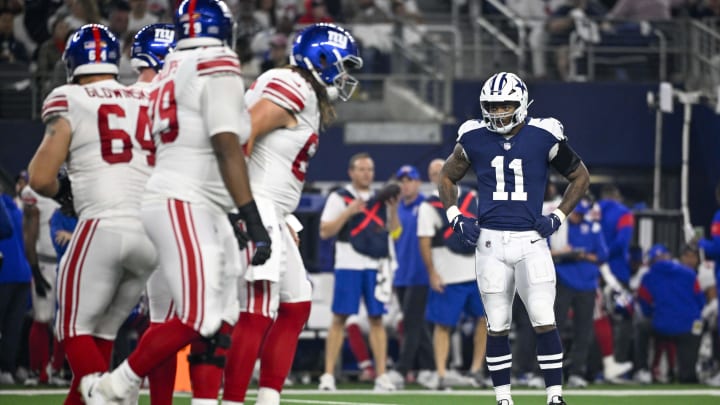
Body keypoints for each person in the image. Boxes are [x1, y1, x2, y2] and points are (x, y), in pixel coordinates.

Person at [78, 1, 271, 403]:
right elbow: (224, 144)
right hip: (185, 198)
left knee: (220, 318)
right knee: (201, 315)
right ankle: (115, 385)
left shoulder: (171, 70)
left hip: (188, 199)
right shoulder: (214, 61)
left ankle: (199, 400)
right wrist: (249, 215)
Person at [222, 23, 363, 405]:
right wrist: (243, 208)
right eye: (342, 64)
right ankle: (233, 399)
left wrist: (281, 216)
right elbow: (240, 134)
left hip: (273, 210)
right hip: (257, 205)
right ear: (321, 59)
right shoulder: (292, 84)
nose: (345, 74)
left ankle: (269, 398)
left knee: (297, 304)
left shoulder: (306, 94)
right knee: (257, 310)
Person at [438, 71, 590, 405]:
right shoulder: (473, 135)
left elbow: (580, 175)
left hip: (531, 239)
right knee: (497, 321)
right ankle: (503, 398)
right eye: (493, 105)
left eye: (506, 104)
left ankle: (554, 396)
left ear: (521, 103)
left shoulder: (544, 133)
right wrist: (455, 217)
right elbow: (446, 176)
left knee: (542, 316)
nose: (499, 112)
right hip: (489, 241)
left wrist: (559, 215)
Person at [27, 23, 158, 405]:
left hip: (103, 224)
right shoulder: (143, 98)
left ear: (72, 62)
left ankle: (113, 397)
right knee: (102, 332)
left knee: (70, 326)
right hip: (150, 233)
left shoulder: (70, 96)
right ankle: (106, 394)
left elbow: (39, 177)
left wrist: (66, 195)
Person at [318, 152, 399, 392]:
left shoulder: (380, 199)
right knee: (340, 318)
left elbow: (393, 232)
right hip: (348, 264)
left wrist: (393, 210)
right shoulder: (339, 197)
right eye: (362, 169)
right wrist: (348, 212)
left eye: (370, 170)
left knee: (377, 319)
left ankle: (382, 376)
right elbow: (325, 231)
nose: (367, 174)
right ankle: (328, 375)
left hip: (375, 265)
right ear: (351, 172)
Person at [127, 23, 177, 405]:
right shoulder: (177, 99)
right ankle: (126, 382)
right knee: (187, 319)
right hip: (166, 215)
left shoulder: (118, 96)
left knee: (91, 323)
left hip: (116, 214)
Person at [418, 158, 487, 390]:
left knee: (486, 320)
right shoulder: (428, 205)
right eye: (434, 172)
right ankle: (441, 373)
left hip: (476, 271)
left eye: (443, 170)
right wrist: (432, 273)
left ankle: (476, 370)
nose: (440, 174)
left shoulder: (472, 197)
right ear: (430, 178)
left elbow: (486, 231)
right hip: (448, 274)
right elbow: (424, 241)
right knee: (443, 324)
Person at [550, 199, 608, 388]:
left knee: (583, 331)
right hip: (564, 282)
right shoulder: (558, 227)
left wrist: (580, 255)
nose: (579, 216)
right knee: (552, 328)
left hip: (587, 285)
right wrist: (563, 253)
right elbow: (545, 251)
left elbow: (602, 255)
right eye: (576, 213)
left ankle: (576, 372)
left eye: (582, 213)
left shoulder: (593, 228)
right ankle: (548, 373)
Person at [391, 164, 434, 386]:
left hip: (420, 274)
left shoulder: (426, 206)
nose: (405, 184)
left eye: (409, 180)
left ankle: (401, 369)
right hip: (401, 274)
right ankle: (429, 368)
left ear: (418, 183)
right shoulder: (396, 208)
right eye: (402, 180)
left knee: (411, 323)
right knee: (417, 324)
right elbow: (394, 234)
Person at [637, 244, 705, 383]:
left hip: (662, 325)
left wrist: (659, 315)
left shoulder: (648, 276)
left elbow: (644, 306)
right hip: (690, 326)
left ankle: (642, 369)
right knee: (687, 375)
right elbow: (700, 301)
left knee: (641, 325)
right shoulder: (689, 273)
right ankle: (692, 372)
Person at [20, 184, 59, 386]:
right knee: (42, 317)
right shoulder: (33, 193)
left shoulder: (73, 184)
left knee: (64, 322)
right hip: (44, 262)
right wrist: (34, 268)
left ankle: (58, 370)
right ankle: (37, 370)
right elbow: (29, 232)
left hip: (66, 260)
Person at [0, 187, 31, 385]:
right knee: (13, 326)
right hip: (23, 273)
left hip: (4, 273)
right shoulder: (17, 210)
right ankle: (9, 370)